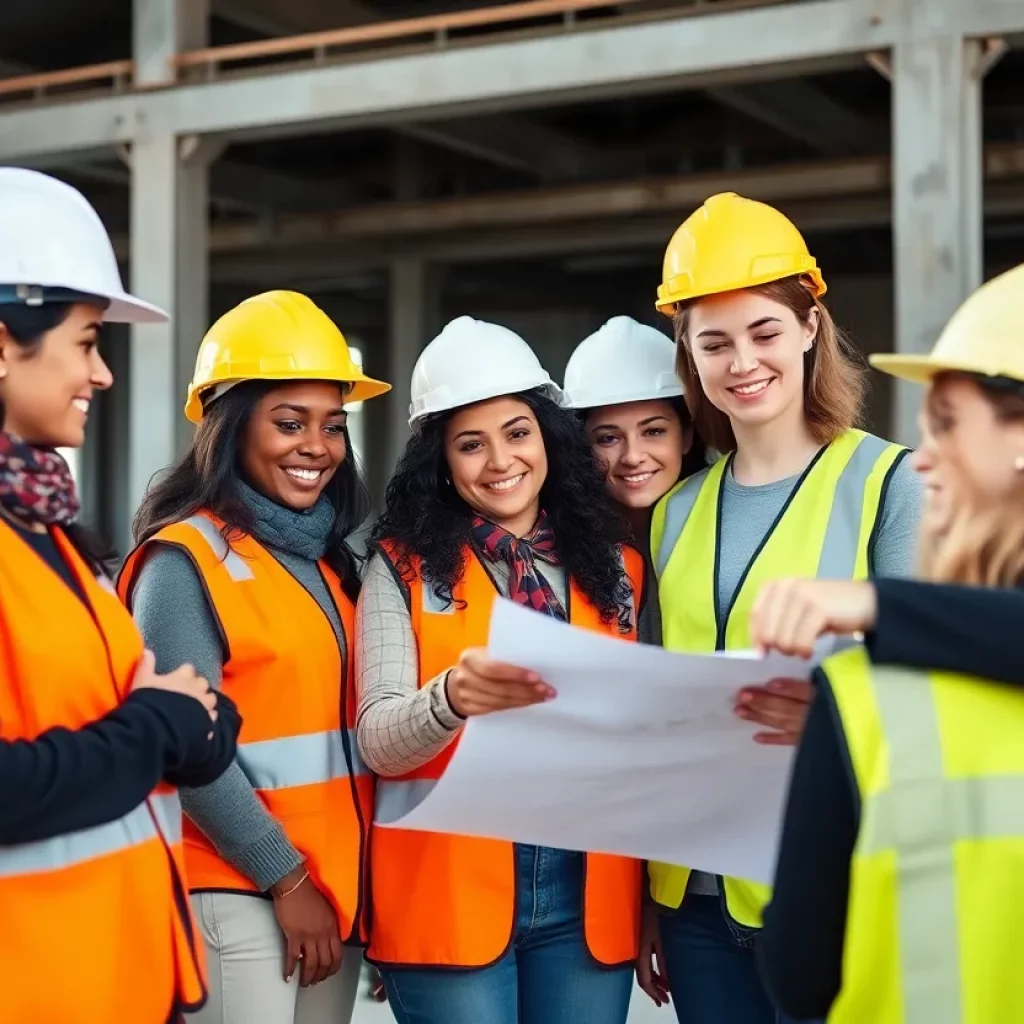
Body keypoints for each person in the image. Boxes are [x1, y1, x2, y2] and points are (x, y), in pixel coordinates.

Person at [641, 191, 923, 1023]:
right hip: (695, 894)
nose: (742, 362)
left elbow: (920, 689)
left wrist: (832, 713)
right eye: (714, 342)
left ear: (809, 329)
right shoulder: (672, 512)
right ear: (689, 354)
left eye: (764, 333)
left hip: (831, 879)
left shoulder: (886, 485)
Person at [0, 167, 240, 1022]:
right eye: (87, 339)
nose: (101, 373)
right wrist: (160, 727)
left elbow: (142, 710)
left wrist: (191, 723)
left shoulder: (50, 531)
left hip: (119, 978)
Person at [756, 261, 1024, 1023]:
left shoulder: (866, 701)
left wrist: (878, 605)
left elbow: (799, 975)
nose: (924, 454)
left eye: (945, 422)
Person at [356, 316, 644, 1024]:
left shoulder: (618, 569)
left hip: (588, 888)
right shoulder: (400, 569)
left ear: (547, 437)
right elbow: (378, 739)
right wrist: (451, 698)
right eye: (470, 444)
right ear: (441, 463)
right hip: (448, 888)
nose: (499, 461)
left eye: (517, 433)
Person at [117, 291, 390, 1024]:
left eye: (334, 426)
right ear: (228, 428)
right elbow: (183, 744)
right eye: (289, 423)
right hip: (238, 887)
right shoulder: (185, 560)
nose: (318, 447)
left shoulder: (331, 565)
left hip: (330, 898)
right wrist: (285, 877)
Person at [563, 314, 707, 549]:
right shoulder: (558, 544)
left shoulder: (728, 523)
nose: (632, 457)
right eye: (608, 438)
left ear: (686, 435)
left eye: (653, 431)